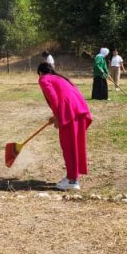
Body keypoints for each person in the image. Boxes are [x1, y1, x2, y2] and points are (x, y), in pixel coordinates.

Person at [37, 62, 93, 191]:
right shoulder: (60, 78)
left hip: (68, 113)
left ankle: (72, 181)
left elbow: (53, 96)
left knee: (68, 146)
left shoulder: (44, 78)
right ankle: (72, 177)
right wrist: (56, 116)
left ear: (40, 72)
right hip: (78, 110)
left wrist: (58, 116)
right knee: (74, 145)